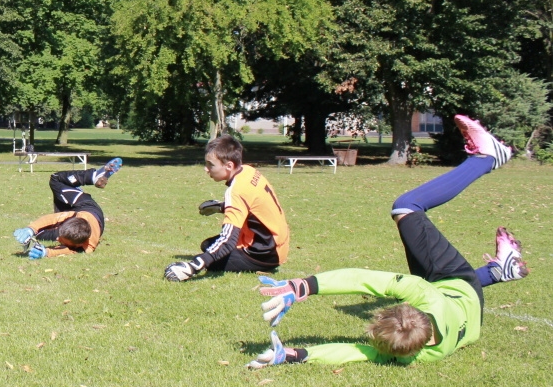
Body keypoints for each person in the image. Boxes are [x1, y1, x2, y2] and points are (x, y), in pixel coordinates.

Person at [247, 115, 527, 369]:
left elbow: (355, 353)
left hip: (471, 316)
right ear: (408, 305)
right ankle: (486, 159)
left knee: (410, 219)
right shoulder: (422, 293)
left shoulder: (424, 353)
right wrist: (301, 286)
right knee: (406, 207)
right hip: (457, 284)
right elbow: (361, 280)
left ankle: (498, 269)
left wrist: (296, 354)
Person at [164, 135, 289, 281]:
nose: (206, 169)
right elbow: (254, 205)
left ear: (229, 166)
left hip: (265, 253)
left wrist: (194, 265)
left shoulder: (236, 191)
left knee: (212, 258)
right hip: (278, 242)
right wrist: (222, 207)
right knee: (209, 245)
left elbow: (228, 239)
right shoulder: (248, 171)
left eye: (210, 164)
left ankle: (260, 264)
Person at [12, 158, 123, 258]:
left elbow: (71, 251)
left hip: (88, 223)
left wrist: (46, 252)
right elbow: (52, 218)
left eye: (61, 240)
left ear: (78, 244)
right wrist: (31, 229)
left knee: (42, 235)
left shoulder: (88, 247)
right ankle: (92, 176)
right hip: (87, 206)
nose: (58, 239)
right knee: (56, 180)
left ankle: (77, 187)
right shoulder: (74, 216)